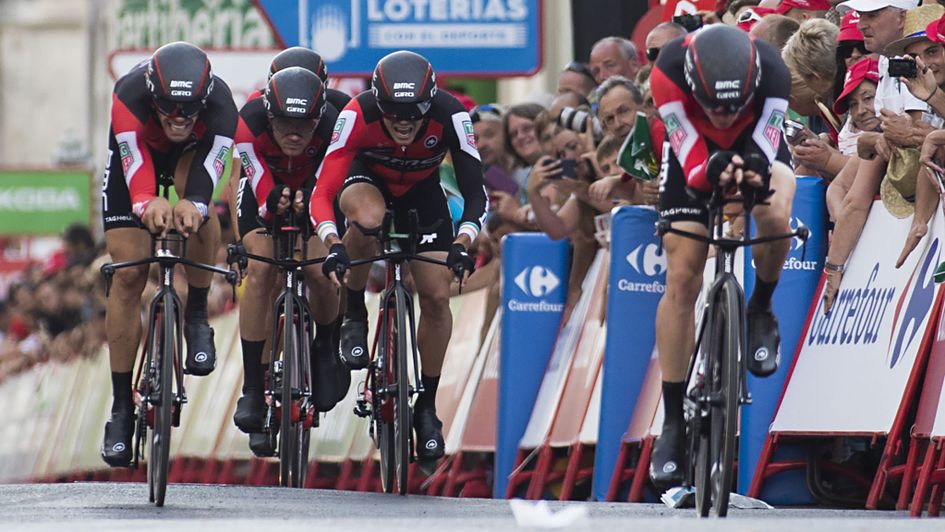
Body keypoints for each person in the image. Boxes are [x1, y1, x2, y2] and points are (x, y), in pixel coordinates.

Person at [309, 51, 487, 463]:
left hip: (422, 192)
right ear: (378, 103)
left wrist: (463, 241)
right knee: (368, 219)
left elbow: (477, 194)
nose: (404, 124)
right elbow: (322, 192)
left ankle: (427, 405)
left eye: (414, 115)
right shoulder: (356, 114)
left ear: (431, 102)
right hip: (365, 180)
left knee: (437, 294)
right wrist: (333, 242)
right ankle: (353, 313)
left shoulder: (452, 114)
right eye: (394, 115)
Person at [647, 25, 795, 488]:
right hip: (692, 148)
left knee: (775, 214)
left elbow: (767, 143)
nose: (726, 116)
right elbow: (688, 150)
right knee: (684, 271)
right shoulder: (667, 71)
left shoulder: (773, 69)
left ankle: (760, 306)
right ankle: (672, 420)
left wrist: (749, 167)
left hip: (758, 144)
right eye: (716, 106)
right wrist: (710, 168)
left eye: (734, 106)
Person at [100, 42, 238, 467]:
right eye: (168, 108)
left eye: (188, 110)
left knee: (197, 215)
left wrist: (192, 204)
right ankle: (122, 407)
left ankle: (196, 316)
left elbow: (207, 179)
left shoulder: (221, 105)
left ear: (203, 99)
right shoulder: (128, 94)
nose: (178, 118)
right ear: (151, 94)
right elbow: (134, 167)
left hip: (190, 161)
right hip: (137, 157)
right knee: (127, 274)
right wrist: (144, 203)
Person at [230, 67, 348, 455]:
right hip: (266, 184)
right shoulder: (248, 119)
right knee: (261, 269)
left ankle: (326, 346)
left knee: (318, 268)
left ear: (320, 115)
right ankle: (252, 386)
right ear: (269, 112)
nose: (294, 134)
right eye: (284, 124)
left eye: (304, 125)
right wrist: (261, 216)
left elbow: (335, 180)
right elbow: (246, 181)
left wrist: (312, 205)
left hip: (318, 187)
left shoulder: (338, 118)